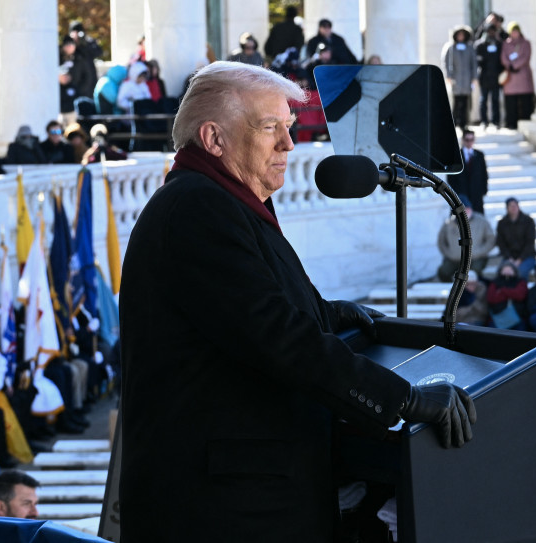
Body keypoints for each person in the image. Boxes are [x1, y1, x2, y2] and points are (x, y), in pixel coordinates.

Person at [119, 62, 474, 539]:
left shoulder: (222, 201)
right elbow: (277, 337)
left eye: (289, 127)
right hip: (226, 513)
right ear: (214, 138)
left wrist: (329, 314)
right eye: (271, 128)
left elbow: (244, 316)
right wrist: (404, 398)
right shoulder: (198, 208)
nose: (289, 144)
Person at [435, 196, 497, 281]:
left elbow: (491, 239)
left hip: (476, 258)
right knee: (443, 272)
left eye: (467, 208)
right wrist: (449, 253)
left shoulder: (481, 221)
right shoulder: (448, 224)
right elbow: (441, 242)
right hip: (454, 259)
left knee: (474, 273)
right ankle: (453, 291)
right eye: (463, 209)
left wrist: (480, 251)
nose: (466, 211)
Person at [500, 23, 535, 129]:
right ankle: (511, 123)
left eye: (516, 31)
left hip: (523, 76)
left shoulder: (526, 43)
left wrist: (516, 65)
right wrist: (509, 65)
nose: (515, 33)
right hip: (511, 78)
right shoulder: (506, 44)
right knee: (511, 102)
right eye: (513, 31)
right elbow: (503, 57)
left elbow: (526, 56)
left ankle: (525, 122)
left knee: (525, 102)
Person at [441, 26, 478, 128]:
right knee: (456, 101)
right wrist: (448, 76)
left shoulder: (469, 48)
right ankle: (454, 122)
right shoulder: (451, 48)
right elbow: (446, 63)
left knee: (465, 102)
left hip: (466, 79)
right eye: (459, 34)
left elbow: (473, 63)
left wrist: (474, 77)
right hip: (455, 79)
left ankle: (464, 122)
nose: (461, 36)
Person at [495, 196, 536, 279]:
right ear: (507, 208)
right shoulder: (502, 223)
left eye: (515, 205)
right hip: (509, 257)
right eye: (510, 206)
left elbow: (530, 243)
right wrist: (510, 259)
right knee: (502, 272)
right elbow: (501, 243)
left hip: (527, 256)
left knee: (520, 272)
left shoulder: (528, 221)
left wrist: (520, 260)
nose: (513, 208)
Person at [447, 129, 489, 214]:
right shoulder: (456, 155)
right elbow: (451, 177)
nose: (469, 142)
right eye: (467, 140)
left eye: (472, 140)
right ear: (463, 140)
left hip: (476, 196)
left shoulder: (479, 155)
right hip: (461, 196)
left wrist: (483, 191)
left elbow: (484, 175)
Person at [476, 22, 505, 128]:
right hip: (484, 77)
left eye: (493, 31)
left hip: (496, 77)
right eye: (489, 31)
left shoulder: (499, 44)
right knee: (483, 100)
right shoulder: (480, 45)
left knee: (495, 100)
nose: (491, 33)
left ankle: (496, 121)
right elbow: (478, 61)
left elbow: (502, 61)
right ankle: (484, 120)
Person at [487, 260, 528, 330]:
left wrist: (502, 291)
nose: (507, 271)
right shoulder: (495, 282)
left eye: (510, 269)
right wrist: (511, 294)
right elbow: (491, 298)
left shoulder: (520, 281)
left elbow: (520, 295)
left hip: (518, 316)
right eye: (505, 269)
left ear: (514, 271)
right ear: (500, 271)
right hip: (497, 317)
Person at [67, 21, 102, 101]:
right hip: (76, 79)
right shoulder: (69, 42)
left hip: (89, 77)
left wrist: (85, 42)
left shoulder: (88, 42)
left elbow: (98, 52)